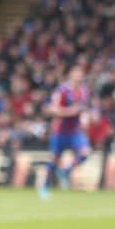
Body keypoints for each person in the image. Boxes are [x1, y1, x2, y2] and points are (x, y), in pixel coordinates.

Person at [40, 64, 91, 199]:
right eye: (76, 74)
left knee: (85, 153)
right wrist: (69, 112)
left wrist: (85, 118)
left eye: (80, 75)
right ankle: (45, 187)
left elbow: (84, 108)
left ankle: (66, 171)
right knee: (54, 159)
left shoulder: (84, 91)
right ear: (71, 75)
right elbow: (52, 109)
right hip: (60, 131)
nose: (78, 77)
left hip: (75, 131)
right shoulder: (62, 90)